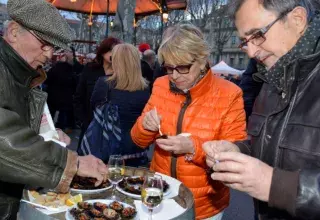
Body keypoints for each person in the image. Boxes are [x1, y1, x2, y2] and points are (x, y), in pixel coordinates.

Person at [203, 0, 320, 219]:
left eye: (257, 35)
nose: (252, 52)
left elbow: (273, 178)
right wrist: (238, 150)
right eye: (245, 41)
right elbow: (271, 144)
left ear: (297, 19)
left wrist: (274, 186)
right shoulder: (273, 75)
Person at [0, 0, 108, 218]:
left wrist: (45, 135)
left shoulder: (23, 75)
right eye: (44, 44)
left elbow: (13, 125)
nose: (49, 54)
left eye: (54, 47)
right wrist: (72, 162)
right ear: (13, 32)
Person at [131, 24, 247, 220]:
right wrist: (145, 126)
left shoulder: (230, 94)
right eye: (169, 68)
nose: (175, 76)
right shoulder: (160, 85)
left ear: (202, 61)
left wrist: (193, 148)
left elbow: (233, 159)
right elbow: (138, 140)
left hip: (204, 204)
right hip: (161, 195)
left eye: (183, 67)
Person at [85, 44, 150, 166]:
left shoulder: (104, 83)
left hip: (108, 149)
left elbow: (94, 111)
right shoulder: (146, 87)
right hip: (137, 149)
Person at [73, 37, 121, 148]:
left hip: (113, 128)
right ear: (103, 52)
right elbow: (78, 96)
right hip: (90, 124)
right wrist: (83, 121)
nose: (112, 54)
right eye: (110, 50)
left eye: (116, 51)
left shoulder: (121, 72)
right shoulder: (90, 69)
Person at [45, 50, 78, 131]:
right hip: (65, 96)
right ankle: (60, 128)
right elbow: (74, 83)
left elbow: (47, 80)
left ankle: (47, 128)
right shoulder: (70, 69)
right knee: (62, 114)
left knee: (51, 113)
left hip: (53, 95)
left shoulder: (54, 68)